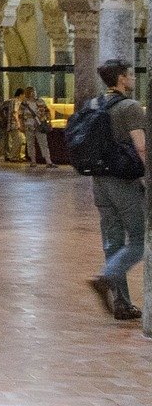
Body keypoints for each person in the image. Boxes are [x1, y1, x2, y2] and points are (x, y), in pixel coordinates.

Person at [85, 59, 147, 321]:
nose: (133, 78)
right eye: (130, 74)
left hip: (99, 181)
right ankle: (106, 277)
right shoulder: (130, 107)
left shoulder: (94, 104)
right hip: (124, 180)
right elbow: (141, 147)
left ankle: (122, 303)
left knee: (113, 242)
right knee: (139, 242)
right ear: (122, 78)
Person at [22, 87, 54, 166]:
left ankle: (48, 161)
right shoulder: (24, 104)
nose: (34, 93)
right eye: (32, 92)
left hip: (40, 125)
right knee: (30, 143)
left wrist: (49, 121)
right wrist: (21, 125)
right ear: (28, 93)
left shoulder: (41, 101)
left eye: (34, 92)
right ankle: (33, 161)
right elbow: (20, 115)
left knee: (43, 143)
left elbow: (47, 111)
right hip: (29, 126)